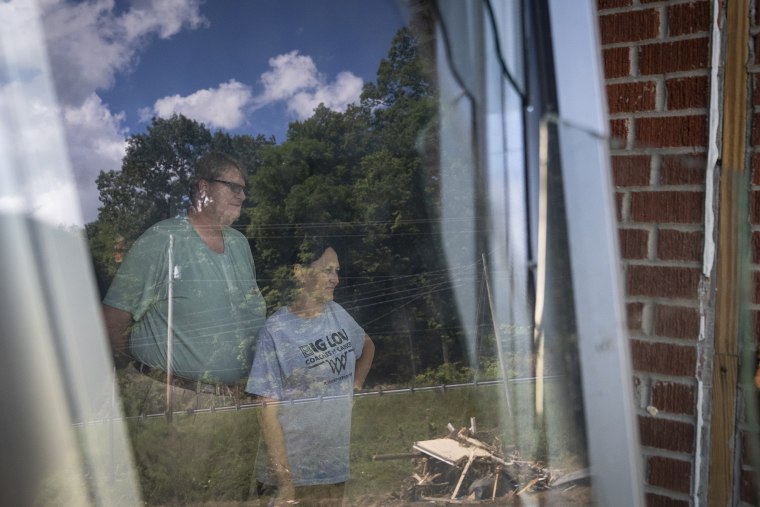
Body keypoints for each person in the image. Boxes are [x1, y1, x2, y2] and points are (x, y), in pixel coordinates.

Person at [102, 152, 266, 412]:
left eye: (244, 190)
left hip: (238, 403)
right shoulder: (161, 240)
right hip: (176, 405)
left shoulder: (239, 244)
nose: (243, 196)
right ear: (204, 188)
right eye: (234, 187)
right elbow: (113, 321)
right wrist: (149, 381)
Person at [246, 242, 375, 506]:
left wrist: (355, 387)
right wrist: (285, 482)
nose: (335, 279)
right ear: (300, 273)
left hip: (332, 465)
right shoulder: (276, 330)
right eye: (327, 270)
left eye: (337, 271)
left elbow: (368, 346)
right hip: (295, 472)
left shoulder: (337, 314)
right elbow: (266, 411)